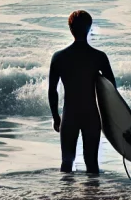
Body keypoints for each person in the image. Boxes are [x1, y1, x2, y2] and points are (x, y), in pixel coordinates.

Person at [48, 10, 116, 174]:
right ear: (89, 28)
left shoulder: (59, 57)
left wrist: (56, 117)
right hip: (91, 117)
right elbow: (112, 89)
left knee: (66, 163)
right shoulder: (99, 57)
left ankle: (65, 197)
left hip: (69, 116)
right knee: (92, 163)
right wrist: (110, 119)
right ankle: (93, 197)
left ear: (70, 29)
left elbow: (52, 91)